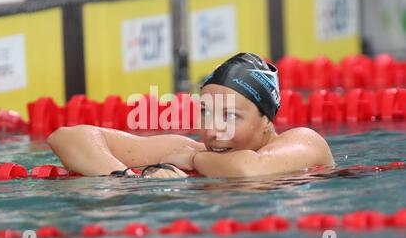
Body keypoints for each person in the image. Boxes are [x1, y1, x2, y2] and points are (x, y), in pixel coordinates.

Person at [48, 53, 335, 178]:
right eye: (206, 114)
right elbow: (69, 138)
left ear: (266, 120)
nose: (213, 131)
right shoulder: (185, 149)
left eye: (230, 117)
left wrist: (194, 161)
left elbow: (250, 171)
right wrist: (130, 180)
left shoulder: (305, 142)